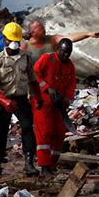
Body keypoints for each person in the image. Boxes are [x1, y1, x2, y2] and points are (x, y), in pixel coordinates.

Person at [0, 22, 43, 176]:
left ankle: (28, 162)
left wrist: (38, 98)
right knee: (0, 132)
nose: (13, 43)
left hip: (20, 99)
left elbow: (32, 80)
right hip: (3, 100)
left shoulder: (26, 58)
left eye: (16, 40)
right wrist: (4, 101)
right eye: (10, 40)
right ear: (4, 39)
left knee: (27, 128)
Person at [33, 38, 76, 176]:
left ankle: (52, 163)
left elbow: (71, 86)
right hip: (43, 103)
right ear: (58, 49)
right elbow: (34, 75)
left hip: (59, 105)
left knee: (58, 133)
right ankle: (44, 165)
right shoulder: (47, 59)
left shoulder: (70, 66)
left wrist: (66, 101)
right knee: (45, 133)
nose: (66, 55)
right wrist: (47, 88)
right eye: (63, 52)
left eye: (68, 53)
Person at [21, 19, 99, 63]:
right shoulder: (26, 46)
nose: (44, 30)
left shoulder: (52, 40)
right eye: (41, 29)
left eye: (43, 27)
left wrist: (88, 34)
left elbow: (69, 38)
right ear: (33, 32)